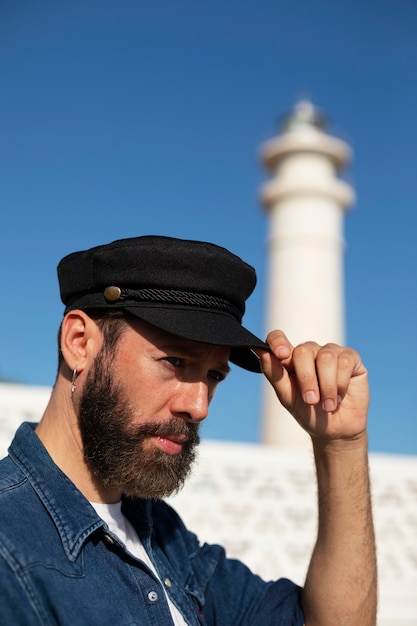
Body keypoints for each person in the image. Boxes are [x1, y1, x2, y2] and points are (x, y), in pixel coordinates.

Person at [0, 235, 377, 626]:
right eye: (174, 361)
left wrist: (341, 443)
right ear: (79, 343)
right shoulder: (9, 551)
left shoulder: (165, 538)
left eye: (214, 375)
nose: (198, 407)